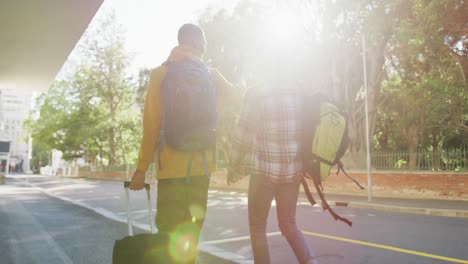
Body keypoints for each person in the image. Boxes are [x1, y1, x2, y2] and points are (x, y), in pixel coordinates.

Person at [129, 23, 236, 263]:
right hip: (202, 169)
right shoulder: (211, 75)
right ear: (198, 43)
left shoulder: (160, 74)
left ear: (180, 42)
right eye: (204, 41)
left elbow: (151, 126)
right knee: (190, 236)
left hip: (170, 170)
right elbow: (237, 97)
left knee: (167, 234)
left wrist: (141, 169)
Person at [228, 59, 318, 264]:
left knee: (258, 227)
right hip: (292, 173)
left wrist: (233, 166)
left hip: (264, 171)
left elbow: (242, 134)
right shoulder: (299, 94)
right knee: (289, 224)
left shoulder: (256, 93)